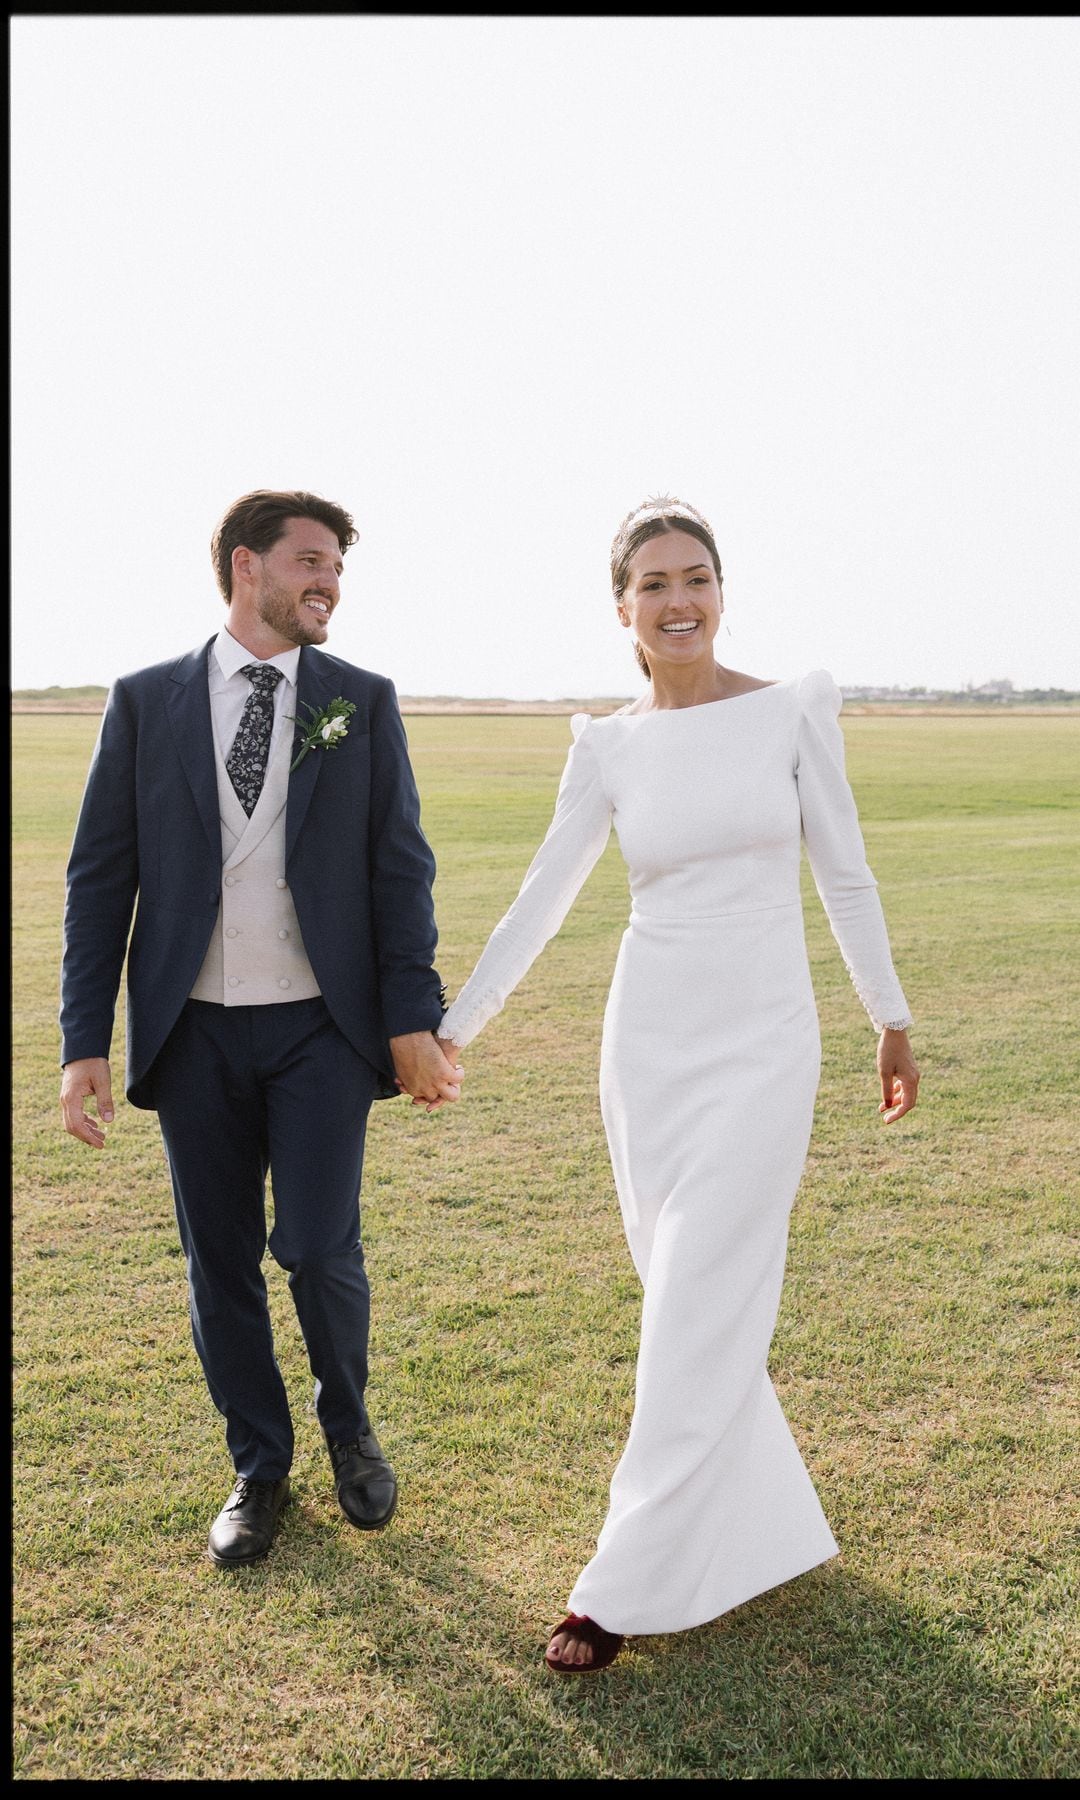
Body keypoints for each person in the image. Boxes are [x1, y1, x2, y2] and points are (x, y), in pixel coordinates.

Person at [439, 495, 919, 1673]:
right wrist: (458, 1028)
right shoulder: (607, 745)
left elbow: (845, 878)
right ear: (623, 610)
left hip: (765, 1042)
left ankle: (618, 1587)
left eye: (695, 576)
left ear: (722, 589)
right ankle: (767, 1528)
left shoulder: (792, 712)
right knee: (682, 1301)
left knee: (703, 1293)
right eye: (653, 583)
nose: (678, 599)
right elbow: (544, 895)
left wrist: (890, 1018)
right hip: (647, 1045)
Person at [59, 489, 464, 1567]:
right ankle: (258, 1467)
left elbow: (400, 873)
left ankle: (351, 1430)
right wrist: (83, 1043)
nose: (328, 582)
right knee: (219, 1261)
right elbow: (101, 879)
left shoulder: (360, 701)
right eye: (312, 561)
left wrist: (412, 1019)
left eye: (337, 567)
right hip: (192, 1037)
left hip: (321, 1033)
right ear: (248, 566)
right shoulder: (145, 701)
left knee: (321, 1247)